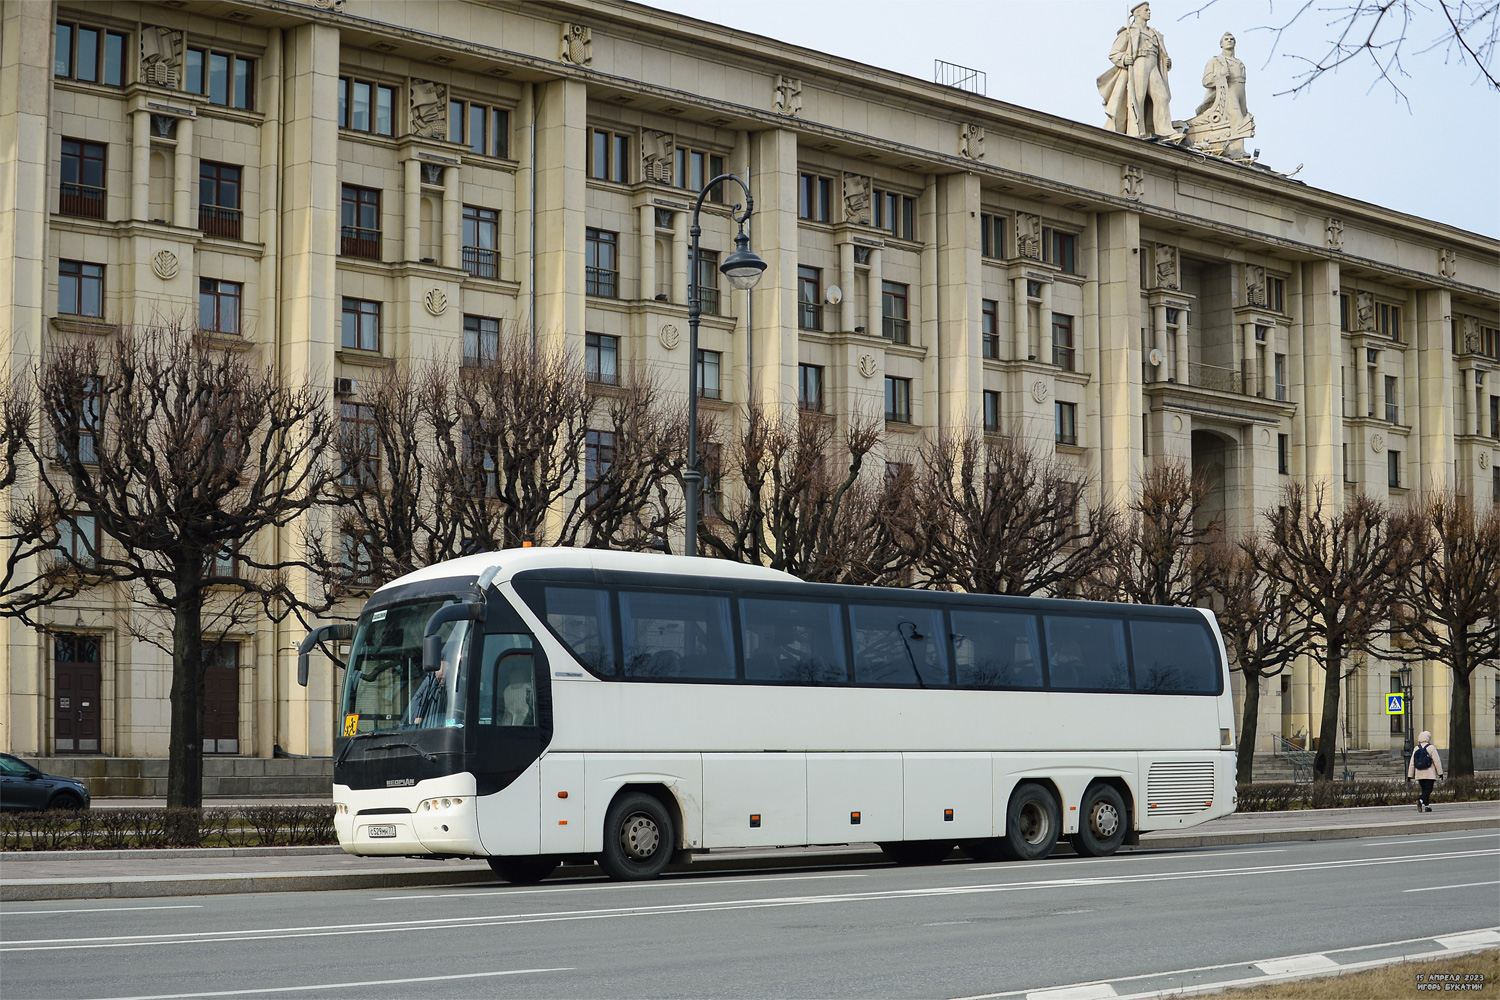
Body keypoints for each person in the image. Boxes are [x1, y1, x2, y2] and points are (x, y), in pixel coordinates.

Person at [1098, 2, 1179, 141]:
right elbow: (1113, 53)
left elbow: (1162, 54)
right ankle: (1136, 131)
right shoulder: (1129, 32)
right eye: (1146, 10)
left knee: (1162, 96)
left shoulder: (1155, 33)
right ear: (1137, 13)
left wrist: (1166, 61)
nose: (1149, 12)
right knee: (1137, 98)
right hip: (1139, 64)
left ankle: (1165, 130)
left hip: (1153, 64)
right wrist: (1124, 58)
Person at [406, 648, 456, 727]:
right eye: (439, 670)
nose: (441, 673)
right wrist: (419, 715)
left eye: (445, 669)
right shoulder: (430, 683)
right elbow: (419, 698)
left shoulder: (457, 687)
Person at [1406, 730, 1445, 812]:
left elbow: (1412, 763)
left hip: (1419, 773)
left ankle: (1427, 806)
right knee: (1428, 790)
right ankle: (1420, 800)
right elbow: (1436, 761)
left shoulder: (1416, 748)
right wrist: (1440, 773)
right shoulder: (1431, 748)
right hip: (1429, 773)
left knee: (1424, 790)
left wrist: (1409, 776)